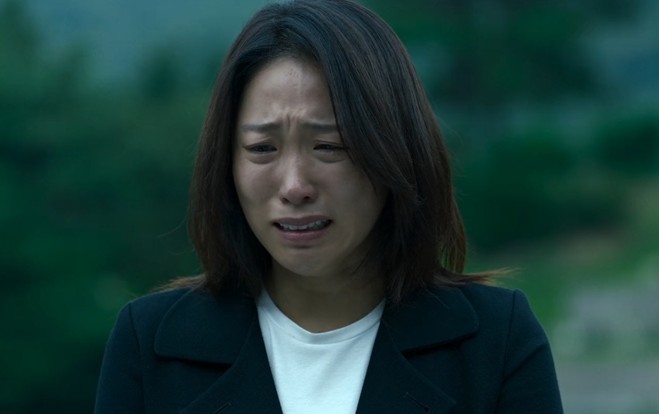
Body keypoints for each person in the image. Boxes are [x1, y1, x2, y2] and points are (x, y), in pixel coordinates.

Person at [94, 0, 563, 413]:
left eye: (329, 147)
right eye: (262, 149)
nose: (295, 186)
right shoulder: (151, 344)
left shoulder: (494, 341)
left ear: (395, 151)